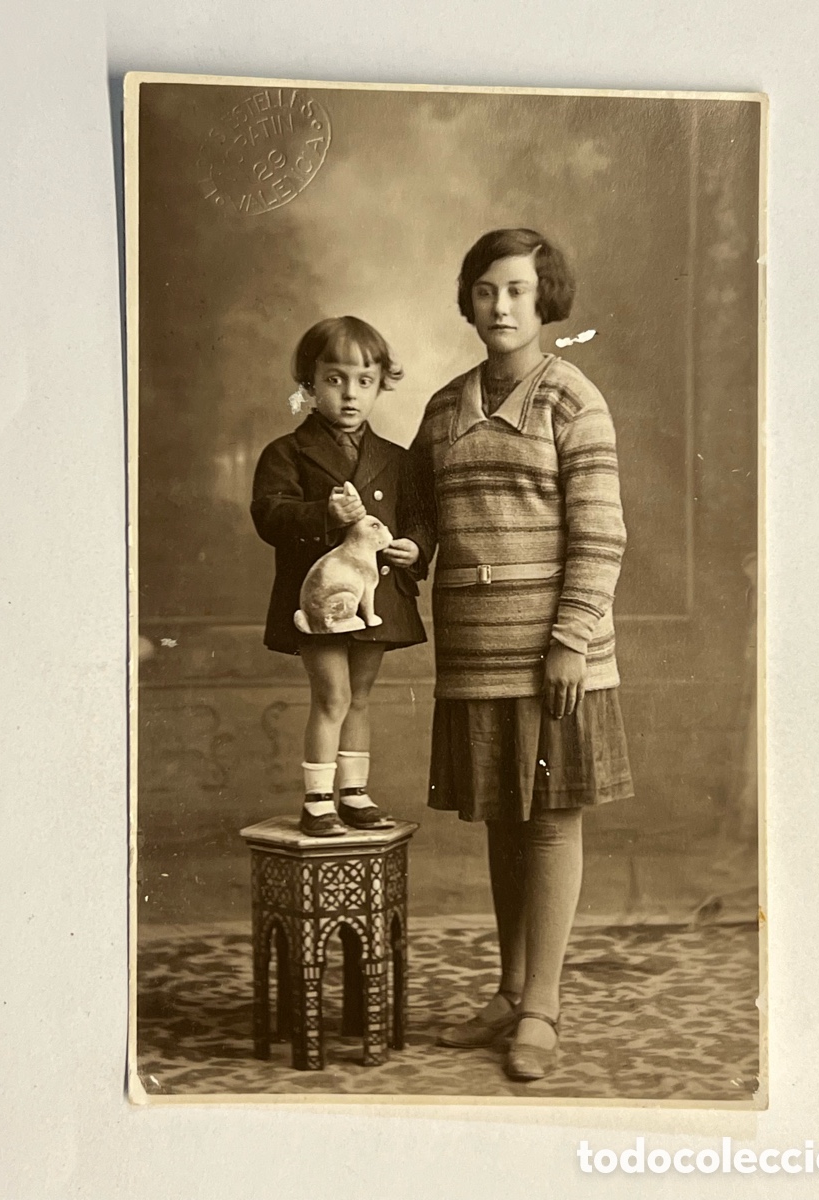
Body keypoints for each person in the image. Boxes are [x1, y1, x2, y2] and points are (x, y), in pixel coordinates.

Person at [396, 229, 634, 1081]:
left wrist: (570, 639)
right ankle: (507, 991)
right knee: (503, 822)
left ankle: (543, 1007)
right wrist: (404, 552)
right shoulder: (442, 408)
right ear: (468, 299)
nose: (501, 306)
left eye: (518, 292)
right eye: (487, 290)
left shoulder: (573, 399)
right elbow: (425, 521)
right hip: (472, 654)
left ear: (545, 302)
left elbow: (601, 533)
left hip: (551, 657)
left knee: (546, 827)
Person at [251, 316, 425, 838]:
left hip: (375, 595)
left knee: (362, 694)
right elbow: (269, 516)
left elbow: (419, 517)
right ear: (308, 384)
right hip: (325, 599)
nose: (351, 394)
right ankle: (318, 801)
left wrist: (415, 547)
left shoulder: (396, 460)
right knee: (333, 695)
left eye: (364, 381)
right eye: (335, 379)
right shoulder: (286, 453)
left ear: (379, 385)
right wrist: (325, 513)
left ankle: (355, 793)